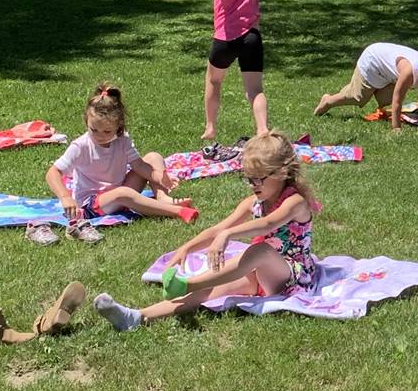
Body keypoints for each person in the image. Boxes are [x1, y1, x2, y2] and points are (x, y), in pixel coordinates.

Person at [93, 131, 321, 329]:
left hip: (293, 276)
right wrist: (186, 249)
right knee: (210, 292)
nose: (253, 185)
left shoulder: (295, 202)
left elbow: (268, 224)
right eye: (248, 179)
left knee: (258, 250)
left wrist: (227, 235)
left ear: (280, 173)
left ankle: (187, 284)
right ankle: (136, 317)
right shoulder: (254, 201)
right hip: (263, 274)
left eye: (258, 179)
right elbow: (219, 228)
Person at [160, 0, 304, 150]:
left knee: (214, 80)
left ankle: (210, 126)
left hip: (225, 39)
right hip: (251, 38)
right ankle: (262, 128)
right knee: (255, 89)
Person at [26, 83, 196, 246]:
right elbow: (52, 172)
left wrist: (159, 177)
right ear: (86, 122)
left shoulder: (123, 140)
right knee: (123, 193)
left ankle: (162, 197)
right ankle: (176, 212)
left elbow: (138, 165)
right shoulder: (81, 146)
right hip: (91, 204)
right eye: (94, 130)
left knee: (153, 157)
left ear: (119, 126)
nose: (100, 135)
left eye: (107, 131)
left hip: (120, 190)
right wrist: (65, 197)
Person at [313, 42, 418, 129]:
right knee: (358, 98)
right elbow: (397, 100)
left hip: (387, 72)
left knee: (384, 100)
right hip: (372, 62)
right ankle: (327, 101)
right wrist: (396, 127)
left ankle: (376, 89)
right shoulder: (409, 71)